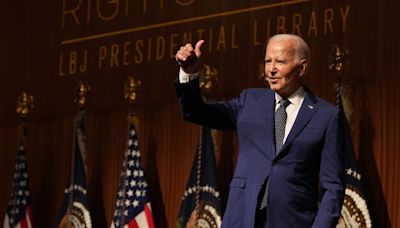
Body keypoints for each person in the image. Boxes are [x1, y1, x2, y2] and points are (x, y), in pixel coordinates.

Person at [174, 34, 345, 228]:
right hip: (241, 218)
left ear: (302, 68)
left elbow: (333, 188)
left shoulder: (326, 116)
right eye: (267, 61)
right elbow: (196, 112)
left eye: (280, 61)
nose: (271, 69)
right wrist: (188, 74)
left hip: (292, 221)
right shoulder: (249, 101)